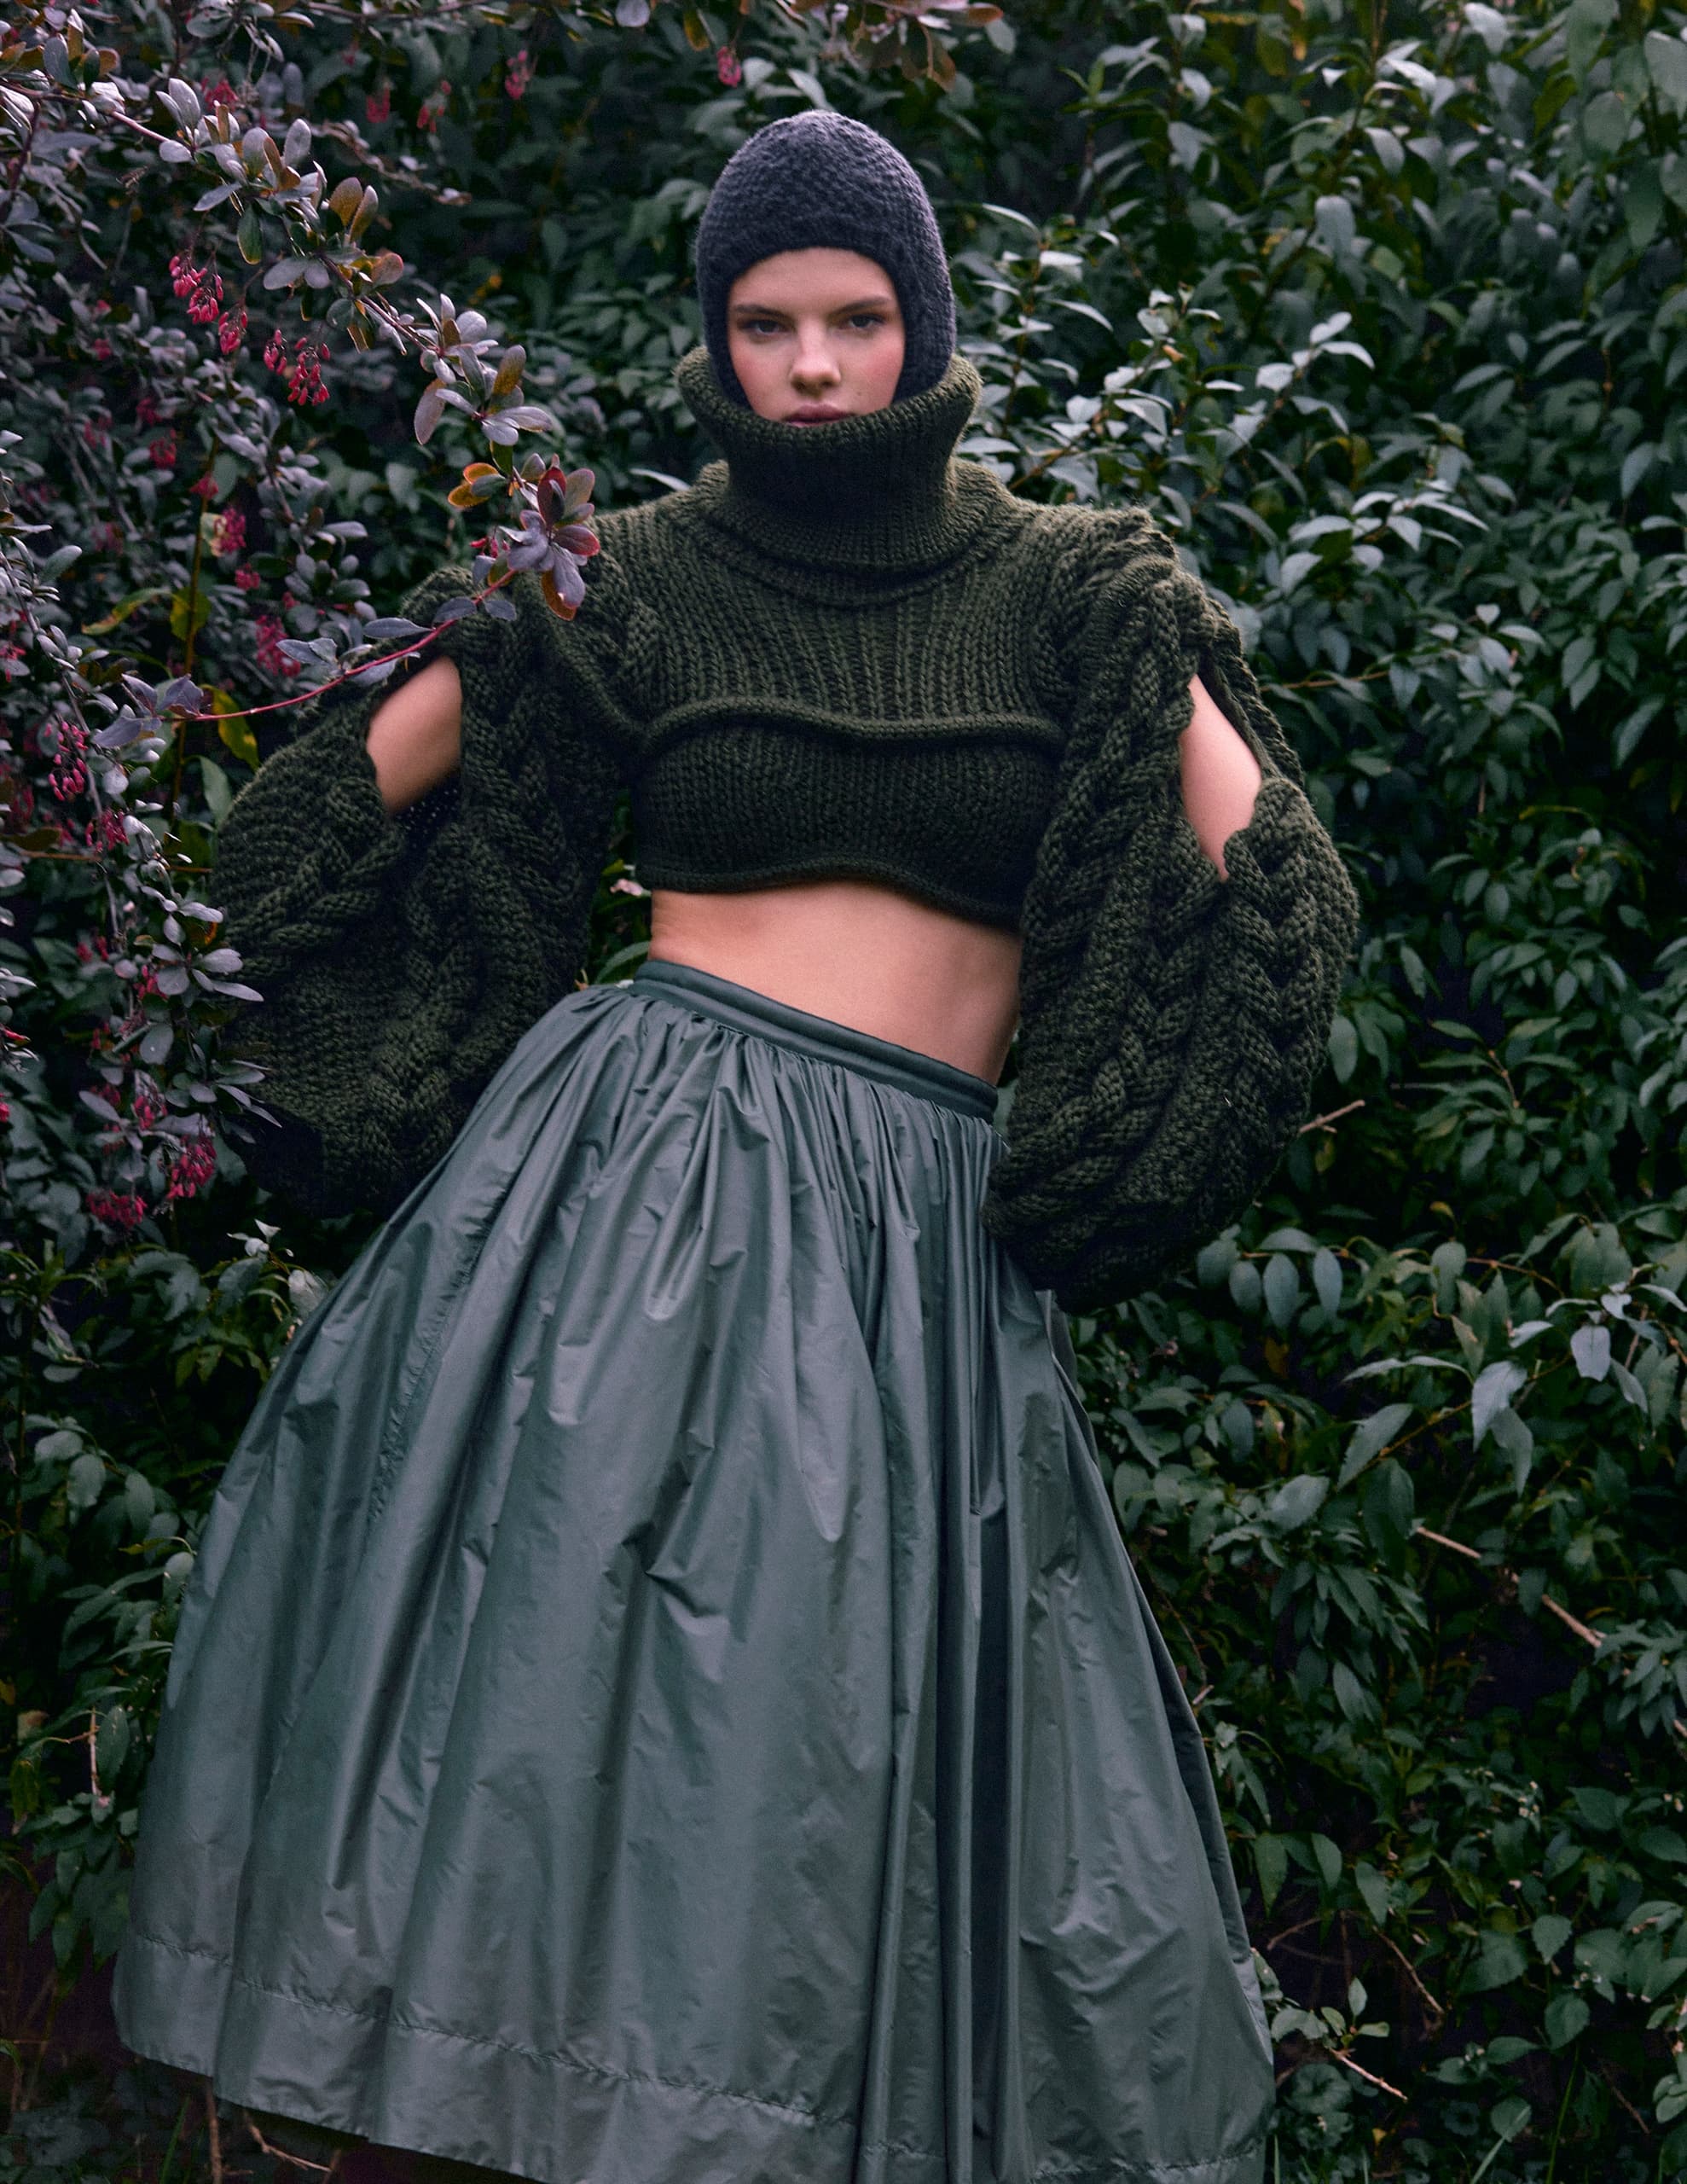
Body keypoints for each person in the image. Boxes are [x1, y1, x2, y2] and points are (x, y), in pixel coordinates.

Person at [113, 113, 1356, 2184]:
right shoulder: (627, 573)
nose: (806, 363)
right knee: (558, 1727)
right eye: (764, 321)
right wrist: (350, 1051)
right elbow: (321, 816)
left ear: (922, 323)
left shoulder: (1074, 591)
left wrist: (1107, 1163)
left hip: (916, 1253)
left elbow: (1279, 896)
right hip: (629, 1210)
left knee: (813, 1771)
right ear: (715, 339)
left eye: (852, 318)